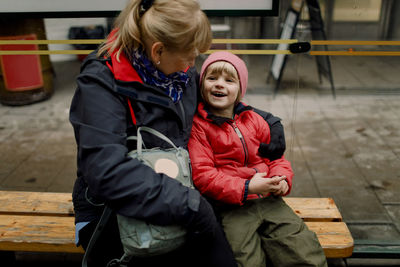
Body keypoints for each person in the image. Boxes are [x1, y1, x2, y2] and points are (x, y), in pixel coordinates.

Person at [69, 0, 285, 266]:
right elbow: (107, 171)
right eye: (191, 55)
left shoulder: (177, 73)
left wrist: (269, 121)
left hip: (180, 196)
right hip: (118, 212)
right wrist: (192, 206)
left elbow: (217, 101)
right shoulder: (101, 83)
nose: (194, 63)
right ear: (158, 50)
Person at [188, 51, 328, 267]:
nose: (219, 85)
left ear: (240, 89)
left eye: (229, 80)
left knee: (302, 248)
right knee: (243, 258)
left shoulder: (254, 120)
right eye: (212, 78)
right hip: (232, 207)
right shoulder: (200, 127)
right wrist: (246, 187)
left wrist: (281, 178)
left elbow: (275, 158)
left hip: (269, 200)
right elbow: (203, 175)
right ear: (202, 83)